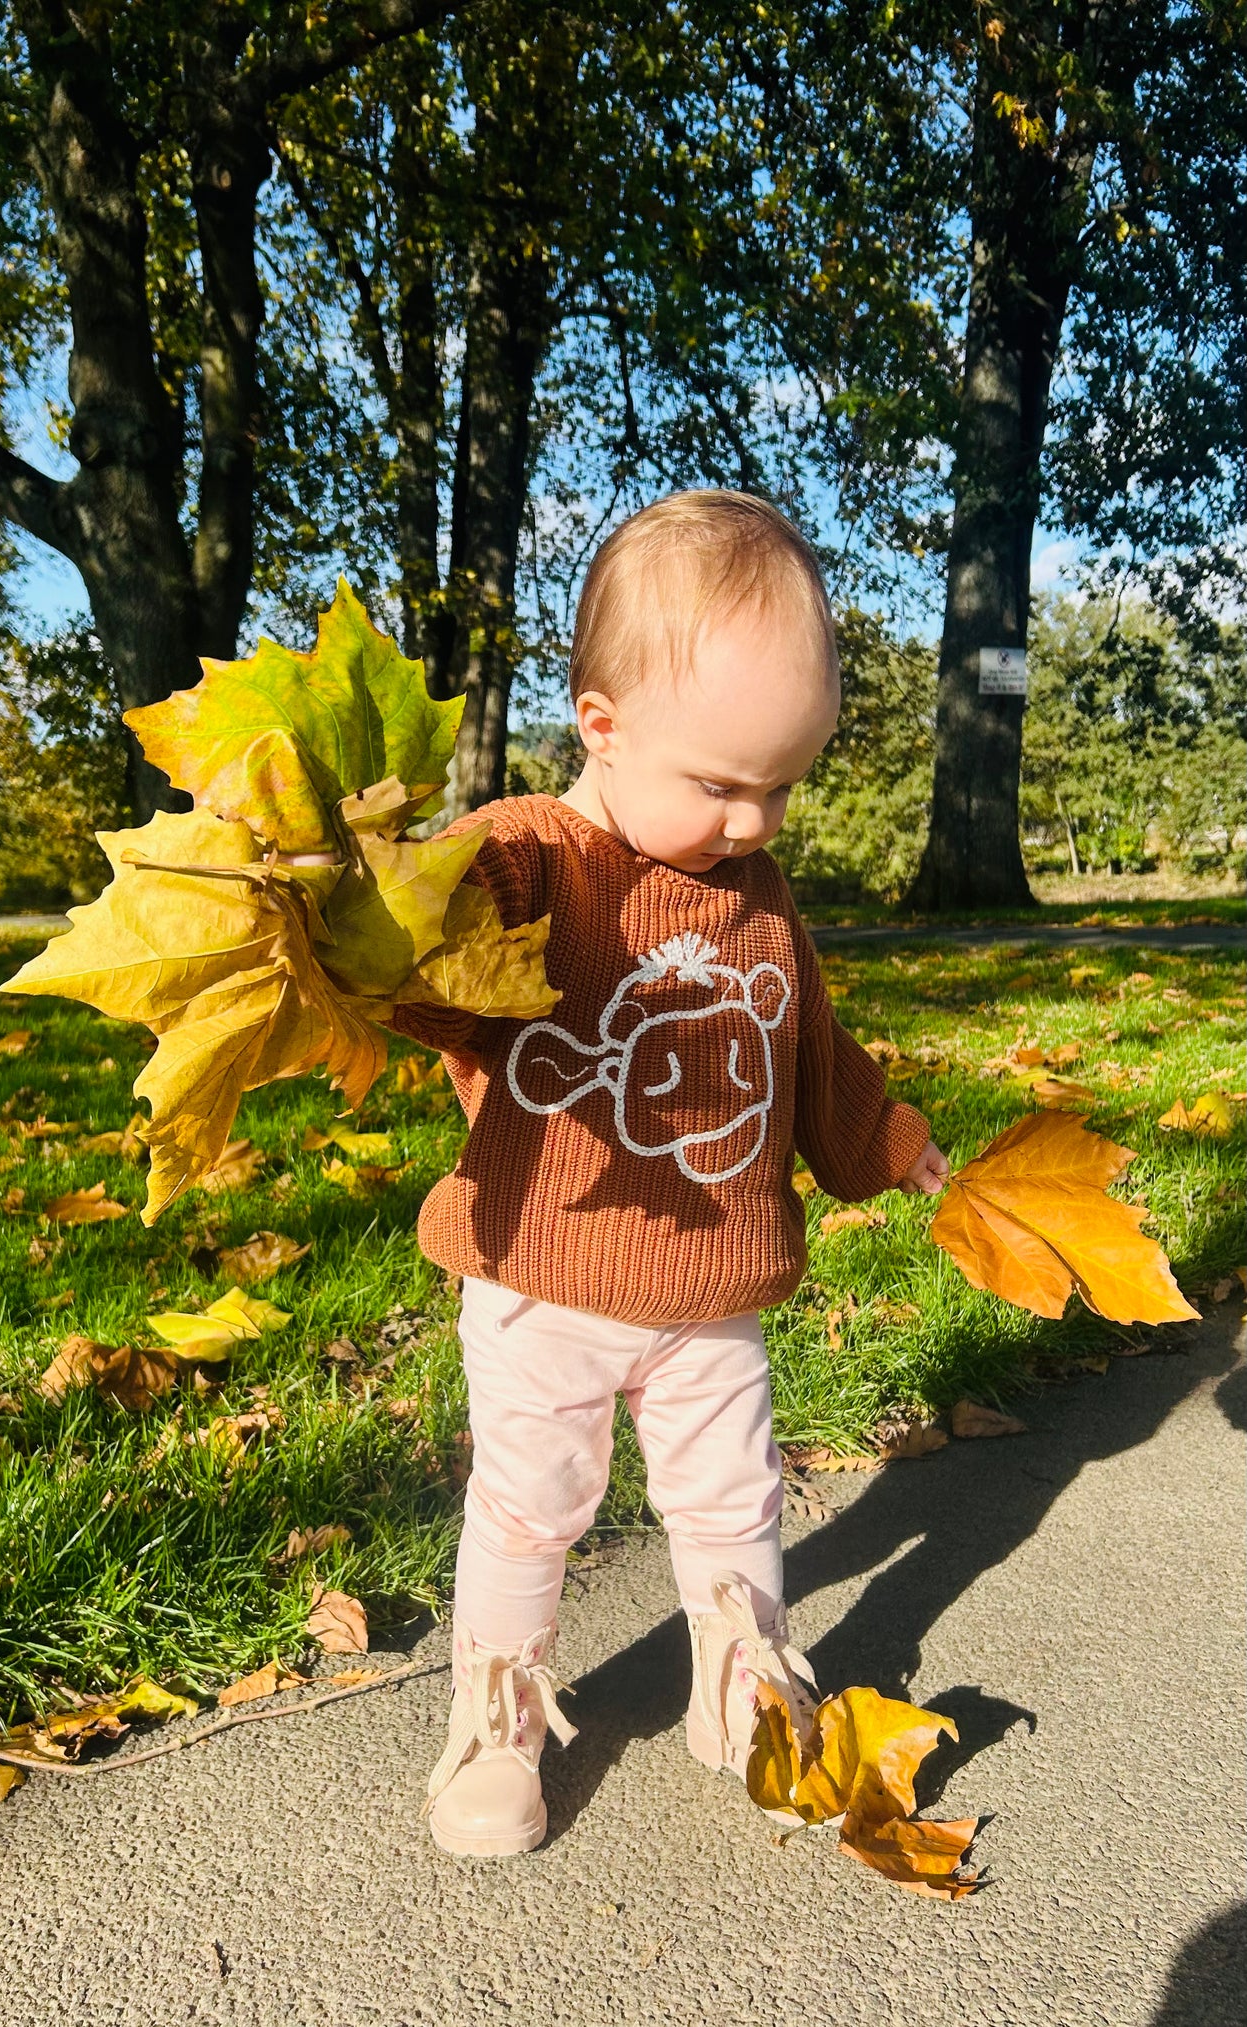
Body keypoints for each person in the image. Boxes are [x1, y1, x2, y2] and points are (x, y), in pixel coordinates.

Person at [386, 489, 950, 1857]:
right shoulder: (529, 860)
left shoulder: (757, 899)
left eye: (782, 783)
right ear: (602, 726)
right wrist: (366, 903)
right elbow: (413, 953)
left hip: (715, 1288)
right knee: (531, 1506)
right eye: (718, 782)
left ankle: (741, 1684)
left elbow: (815, 1051)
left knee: (731, 1497)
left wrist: (895, 1142)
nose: (754, 820)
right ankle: (499, 1715)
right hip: (545, 1277)